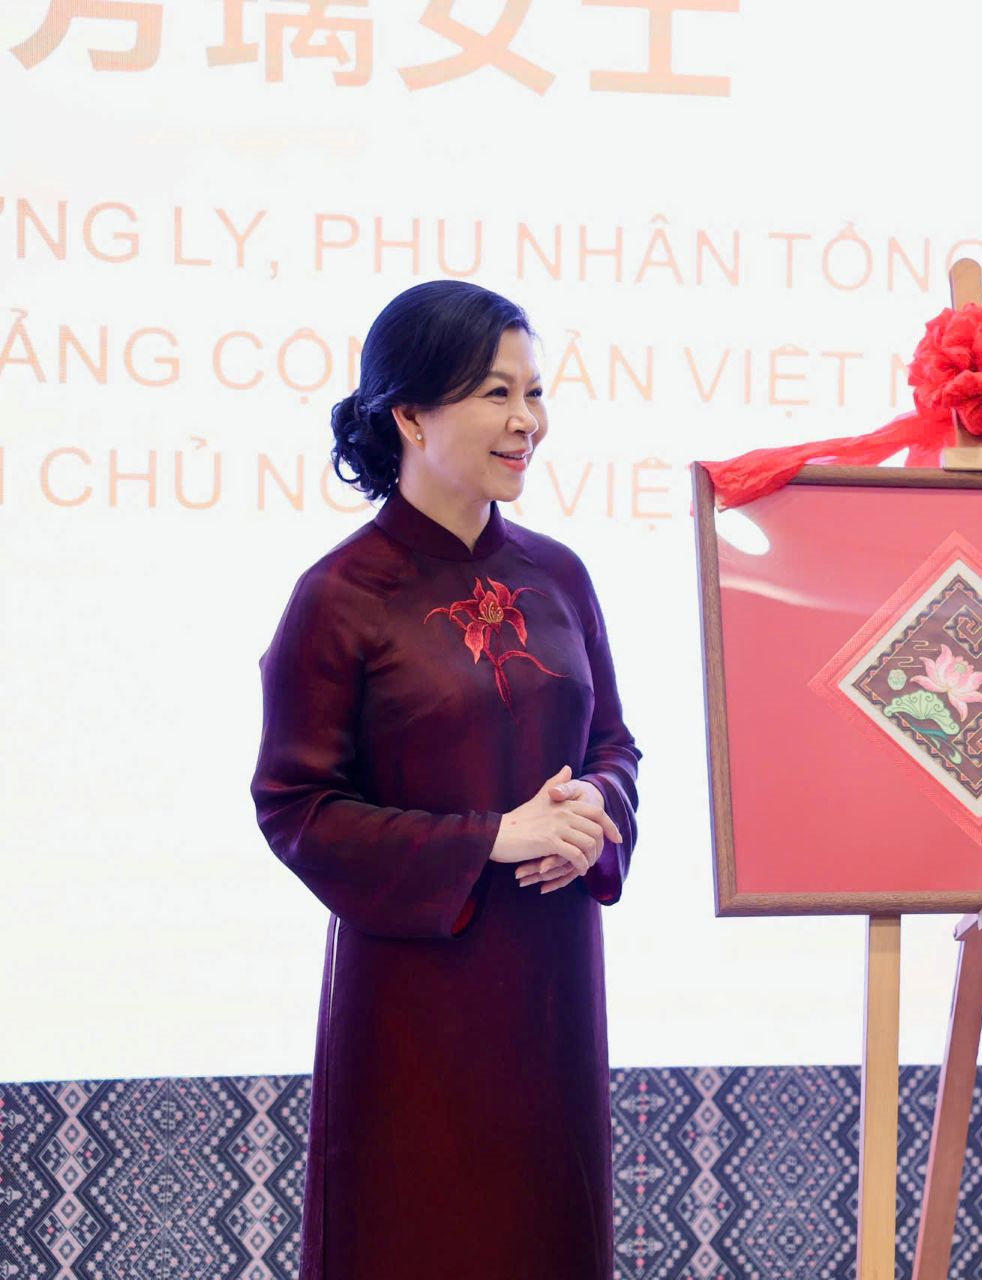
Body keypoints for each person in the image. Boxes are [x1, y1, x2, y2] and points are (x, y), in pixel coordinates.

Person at [251, 280, 641, 1278]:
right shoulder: (339, 596)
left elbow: (614, 745)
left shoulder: (560, 574)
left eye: (534, 392)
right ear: (411, 416)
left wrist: (597, 810)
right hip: (415, 1003)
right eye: (496, 394)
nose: (527, 421)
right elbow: (296, 807)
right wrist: (491, 837)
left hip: (553, 984)